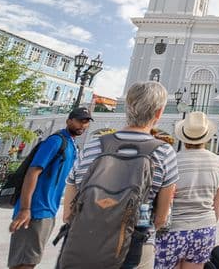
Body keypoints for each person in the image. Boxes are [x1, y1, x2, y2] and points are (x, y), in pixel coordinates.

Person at [63, 81, 178, 269]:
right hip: (134, 247)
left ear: (127, 107)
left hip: (83, 246)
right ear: (158, 113)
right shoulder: (164, 152)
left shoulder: (95, 145)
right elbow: (161, 219)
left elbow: (68, 212)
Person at [7, 107, 91, 269]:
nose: (83, 125)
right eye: (80, 120)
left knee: (30, 259)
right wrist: (25, 208)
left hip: (48, 210)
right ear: (69, 121)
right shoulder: (56, 141)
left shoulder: (72, 146)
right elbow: (33, 172)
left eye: (86, 121)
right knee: (24, 261)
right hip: (35, 210)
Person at [155, 112, 219, 269]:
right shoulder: (217, 162)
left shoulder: (172, 159)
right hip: (204, 228)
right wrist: (210, 223)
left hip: (173, 229)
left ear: (183, 137)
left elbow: (163, 198)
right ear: (206, 137)